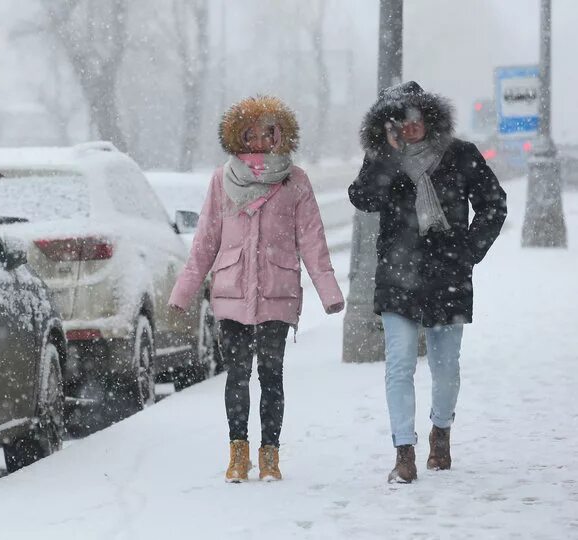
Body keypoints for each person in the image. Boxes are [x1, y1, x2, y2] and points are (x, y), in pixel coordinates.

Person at [169, 95, 344, 483]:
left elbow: (312, 240)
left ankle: (270, 456)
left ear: (280, 136)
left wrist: (329, 291)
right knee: (236, 375)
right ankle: (238, 454)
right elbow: (205, 242)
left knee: (271, 375)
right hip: (231, 293)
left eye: (268, 133)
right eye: (250, 133)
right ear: (238, 136)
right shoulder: (222, 180)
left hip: (276, 292)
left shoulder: (295, 181)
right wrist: (184, 291)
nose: (258, 141)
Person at [348, 81, 507, 483]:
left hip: (447, 275)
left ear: (430, 117)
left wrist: (468, 249)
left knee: (445, 366)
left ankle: (441, 432)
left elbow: (494, 203)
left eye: (416, 118)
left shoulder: (460, 155)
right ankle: (404, 451)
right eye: (400, 121)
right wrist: (386, 158)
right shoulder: (383, 157)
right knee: (399, 365)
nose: (410, 127)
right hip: (397, 277)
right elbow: (362, 198)